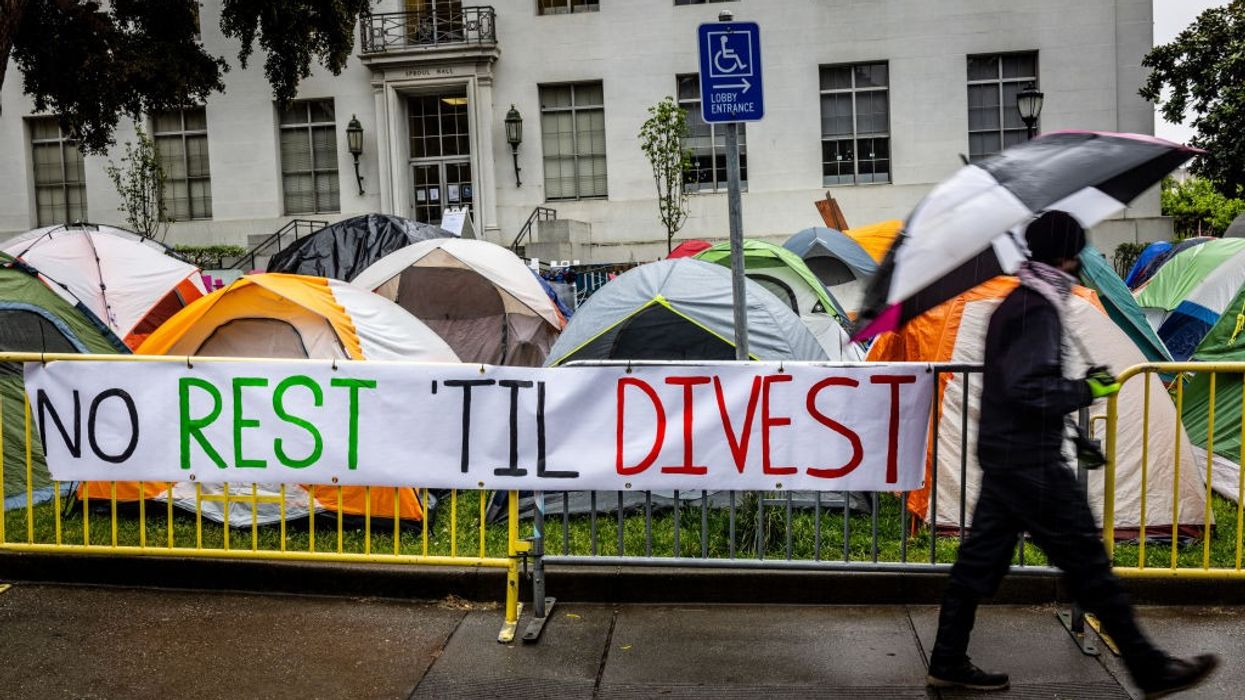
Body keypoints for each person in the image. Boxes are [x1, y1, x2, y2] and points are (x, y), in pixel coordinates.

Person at [925, 211, 1219, 698]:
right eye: (1079, 252)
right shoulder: (1034, 308)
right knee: (1089, 565)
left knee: (977, 566)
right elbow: (1028, 389)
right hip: (1031, 466)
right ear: (1067, 256)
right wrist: (1088, 388)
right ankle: (1151, 670)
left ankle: (947, 660)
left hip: (1006, 459)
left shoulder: (1020, 302)